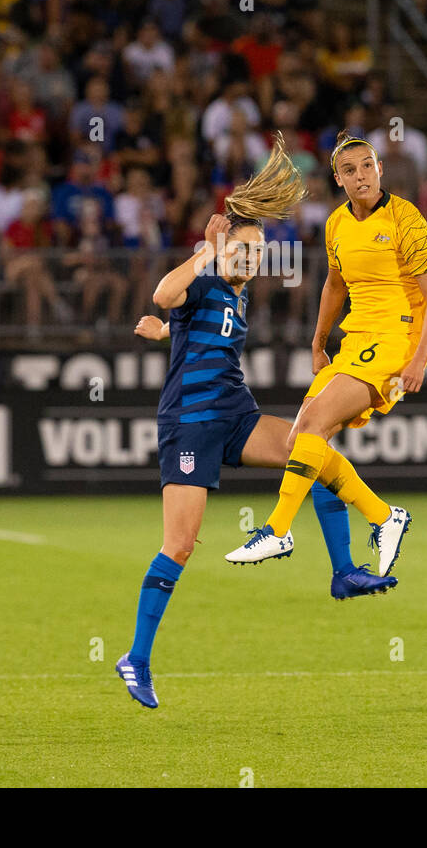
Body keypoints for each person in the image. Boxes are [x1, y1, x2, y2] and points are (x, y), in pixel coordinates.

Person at [116, 137, 396, 710]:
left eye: (260, 251)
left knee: (309, 448)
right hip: (191, 424)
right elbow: (163, 292)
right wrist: (206, 253)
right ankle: (136, 658)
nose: (255, 259)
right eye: (246, 251)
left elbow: (196, 330)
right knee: (181, 544)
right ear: (225, 251)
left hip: (234, 413)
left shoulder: (237, 297)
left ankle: (344, 572)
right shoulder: (206, 276)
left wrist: (166, 335)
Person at [224, 134, 427, 577]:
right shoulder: (336, 224)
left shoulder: (406, 218)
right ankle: (385, 517)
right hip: (354, 343)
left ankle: (278, 528)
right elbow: (334, 285)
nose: (360, 176)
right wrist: (318, 341)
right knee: (302, 439)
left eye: (367, 166)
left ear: (379, 168)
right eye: (350, 170)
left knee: (312, 423)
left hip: (394, 341)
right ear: (337, 179)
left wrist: (419, 358)